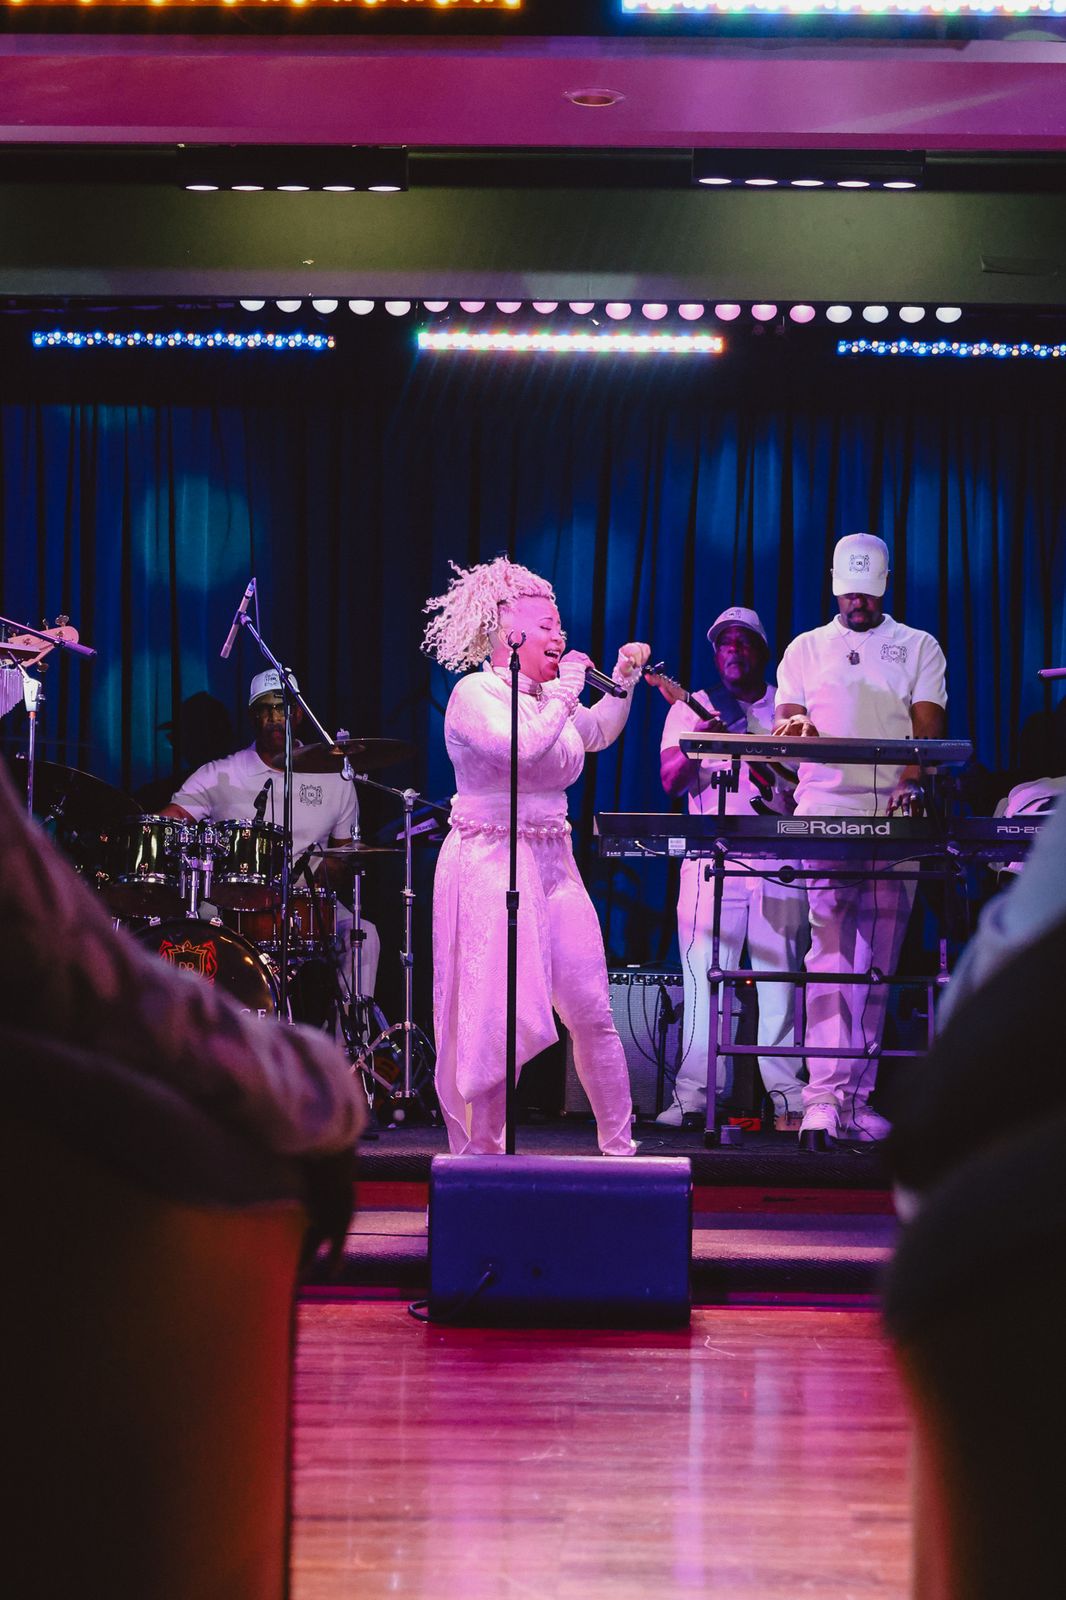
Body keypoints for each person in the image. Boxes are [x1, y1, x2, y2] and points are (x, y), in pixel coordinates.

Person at [422, 556, 650, 1156]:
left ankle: (621, 1149)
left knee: (592, 1007)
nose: (560, 635)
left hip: (553, 858)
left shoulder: (551, 698)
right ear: (510, 632)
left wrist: (622, 680)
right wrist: (568, 692)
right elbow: (518, 749)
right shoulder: (475, 694)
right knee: (500, 1014)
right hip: (492, 861)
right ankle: (484, 1153)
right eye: (547, 625)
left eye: (560, 625)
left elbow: (596, 733)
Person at [774, 532, 948, 1146]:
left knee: (878, 960)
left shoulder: (918, 645)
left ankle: (856, 1100)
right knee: (829, 951)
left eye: (868, 593)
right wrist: (795, 727)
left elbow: (928, 729)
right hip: (826, 810)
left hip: (894, 818)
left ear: (885, 585)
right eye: (850, 593)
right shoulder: (805, 648)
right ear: (834, 586)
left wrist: (910, 779)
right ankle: (822, 1097)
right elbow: (787, 721)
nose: (858, 603)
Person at [658, 606, 807, 1128]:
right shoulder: (692, 707)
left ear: (762, 652)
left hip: (776, 857)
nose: (733, 650)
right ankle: (693, 1096)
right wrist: (701, 743)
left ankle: (788, 1096)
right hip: (709, 857)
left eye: (744, 642)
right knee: (703, 980)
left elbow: (806, 780)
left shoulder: (787, 706)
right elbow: (670, 782)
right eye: (725, 642)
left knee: (780, 980)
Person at [163, 668, 379, 994]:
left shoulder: (335, 777)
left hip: (306, 906)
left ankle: (349, 1028)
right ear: (253, 716)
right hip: (229, 905)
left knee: (364, 934)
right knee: (186, 933)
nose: (275, 718)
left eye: (283, 708)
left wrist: (321, 878)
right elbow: (170, 820)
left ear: (299, 714)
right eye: (266, 709)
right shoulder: (220, 773)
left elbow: (344, 853)